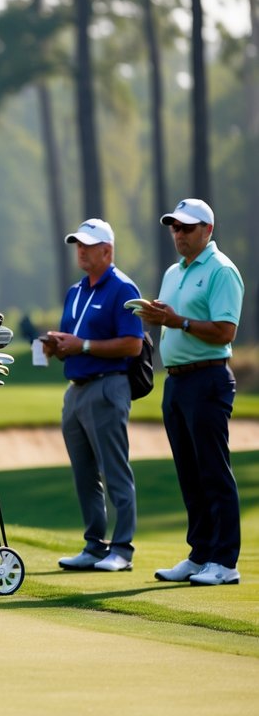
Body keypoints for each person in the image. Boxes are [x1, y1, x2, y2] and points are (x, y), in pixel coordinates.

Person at [133, 199, 245, 586]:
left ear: (207, 230)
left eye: (186, 227)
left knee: (213, 471)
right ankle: (200, 555)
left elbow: (225, 331)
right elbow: (173, 320)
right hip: (177, 382)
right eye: (174, 227)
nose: (178, 234)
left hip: (208, 379)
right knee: (189, 473)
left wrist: (176, 321)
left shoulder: (221, 270)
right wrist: (159, 317)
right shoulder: (173, 272)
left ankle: (225, 562)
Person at [42, 219, 144, 573]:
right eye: (78, 245)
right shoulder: (76, 291)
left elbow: (133, 344)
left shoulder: (123, 289)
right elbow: (71, 340)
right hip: (76, 390)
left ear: (107, 251)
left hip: (108, 386)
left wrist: (82, 345)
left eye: (88, 245)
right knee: (84, 474)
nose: (81, 250)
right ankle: (94, 545)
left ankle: (122, 549)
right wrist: (57, 347)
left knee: (114, 471)